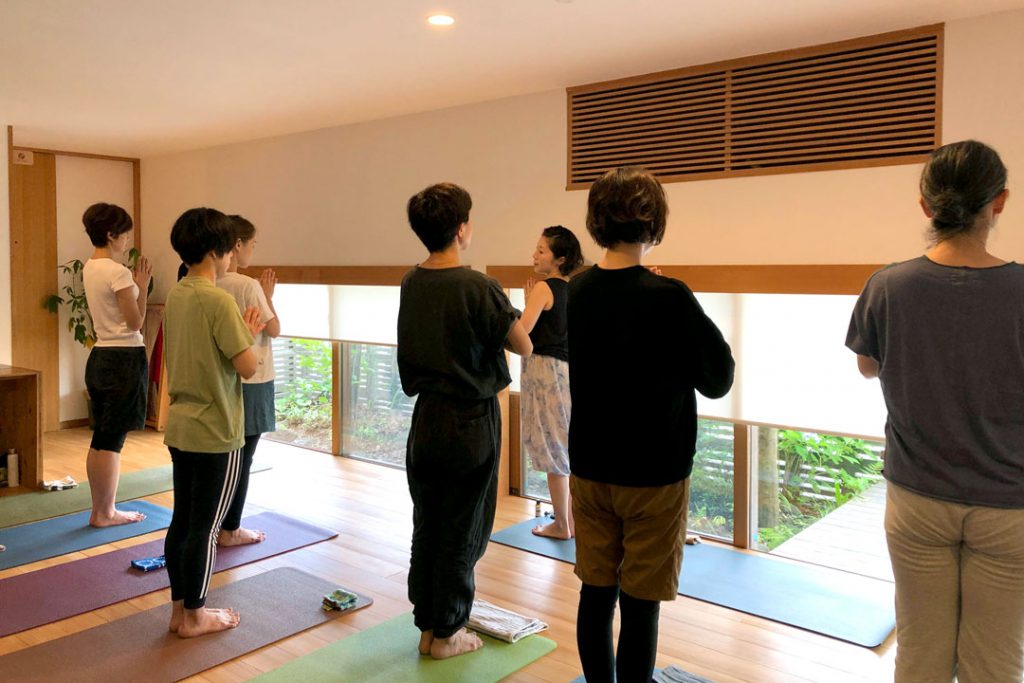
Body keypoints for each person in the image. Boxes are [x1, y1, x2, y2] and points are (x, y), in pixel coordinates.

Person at [847, 140, 1024, 683]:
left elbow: (868, 367)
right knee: (996, 662)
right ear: (1000, 201)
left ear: (926, 206)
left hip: (917, 498)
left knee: (920, 651)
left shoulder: (887, 285)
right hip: (1010, 505)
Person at [568, 167, 734, 683]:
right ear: (653, 223)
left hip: (590, 466)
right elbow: (719, 378)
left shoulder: (576, 291)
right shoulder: (669, 296)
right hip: (654, 475)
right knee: (640, 603)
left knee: (596, 593)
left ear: (597, 223)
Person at [397, 182, 533, 659]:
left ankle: (428, 626)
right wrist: (526, 307)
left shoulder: (412, 281)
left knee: (429, 522)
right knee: (462, 527)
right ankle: (449, 632)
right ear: (461, 228)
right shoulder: (478, 286)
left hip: (426, 418)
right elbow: (523, 344)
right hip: (471, 421)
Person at [163, 207, 264, 638]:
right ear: (214, 252)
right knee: (205, 529)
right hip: (216, 432)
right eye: (228, 251)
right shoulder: (219, 299)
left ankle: (178, 612)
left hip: (181, 426)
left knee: (183, 522)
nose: (231, 258)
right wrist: (248, 335)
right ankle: (195, 615)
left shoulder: (177, 294)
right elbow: (247, 367)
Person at [81, 202, 152, 527]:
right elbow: (136, 322)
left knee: (102, 437)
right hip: (123, 359)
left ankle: (101, 509)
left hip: (100, 356)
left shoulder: (90, 267)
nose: (127, 240)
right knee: (112, 441)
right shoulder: (118, 272)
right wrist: (143, 287)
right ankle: (105, 512)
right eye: (125, 234)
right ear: (111, 235)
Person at [215, 215, 281, 546]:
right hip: (253, 378)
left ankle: (220, 525)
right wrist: (268, 295)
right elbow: (274, 329)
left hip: (225, 379)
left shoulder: (209, 283)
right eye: (252, 243)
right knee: (244, 458)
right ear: (237, 245)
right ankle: (231, 529)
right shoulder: (246, 285)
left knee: (228, 456)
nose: (254, 249)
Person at [520, 225, 582, 539]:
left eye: (541, 250)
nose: (534, 254)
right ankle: (569, 520)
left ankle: (561, 525)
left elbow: (522, 331)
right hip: (568, 372)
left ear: (560, 259)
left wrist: (527, 303)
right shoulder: (575, 290)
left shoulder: (545, 288)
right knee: (564, 446)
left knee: (552, 449)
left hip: (544, 372)